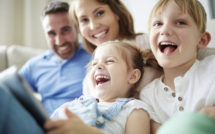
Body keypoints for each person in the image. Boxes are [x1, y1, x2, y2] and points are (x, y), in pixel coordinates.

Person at [44, 40, 161, 134]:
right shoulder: (76, 104)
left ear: (133, 76)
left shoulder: (134, 109)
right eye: (94, 64)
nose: (98, 66)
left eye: (110, 61)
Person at [139, 0, 215, 133]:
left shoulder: (212, 68)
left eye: (180, 22)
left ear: (202, 40)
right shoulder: (148, 96)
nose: (165, 30)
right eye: (158, 24)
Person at [19, 1, 91, 115]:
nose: (60, 41)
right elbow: (10, 91)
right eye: (51, 33)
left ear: (76, 27)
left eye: (65, 30)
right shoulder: (35, 65)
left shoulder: (95, 57)